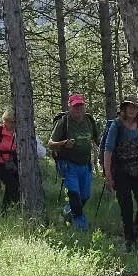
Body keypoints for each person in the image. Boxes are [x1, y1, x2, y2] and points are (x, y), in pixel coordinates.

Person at [103, 98, 138, 250]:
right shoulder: (116, 126)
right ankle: (129, 239)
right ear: (123, 109)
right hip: (121, 171)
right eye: (128, 107)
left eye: (134, 107)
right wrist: (108, 175)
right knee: (126, 206)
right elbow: (108, 151)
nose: (131, 110)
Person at [49, 94, 99, 229]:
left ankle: (68, 211)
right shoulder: (63, 122)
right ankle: (81, 228)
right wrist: (64, 143)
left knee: (85, 196)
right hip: (68, 165)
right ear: (70, 107)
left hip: (85, 164)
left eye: (80, 105)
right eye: (75, 106)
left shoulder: (89, 120)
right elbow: (50, 144)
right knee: (75, 196)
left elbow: (97, 139)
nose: (78, 109)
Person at [0, 109, 21, 211]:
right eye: (10, 121)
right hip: (1, 164)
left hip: (14, 163)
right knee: (12, 185)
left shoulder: (19, 131)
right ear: (5, 120)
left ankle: (7, 210)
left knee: (16, 186)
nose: (13, 124)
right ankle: (9, 209)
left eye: (14, 122)